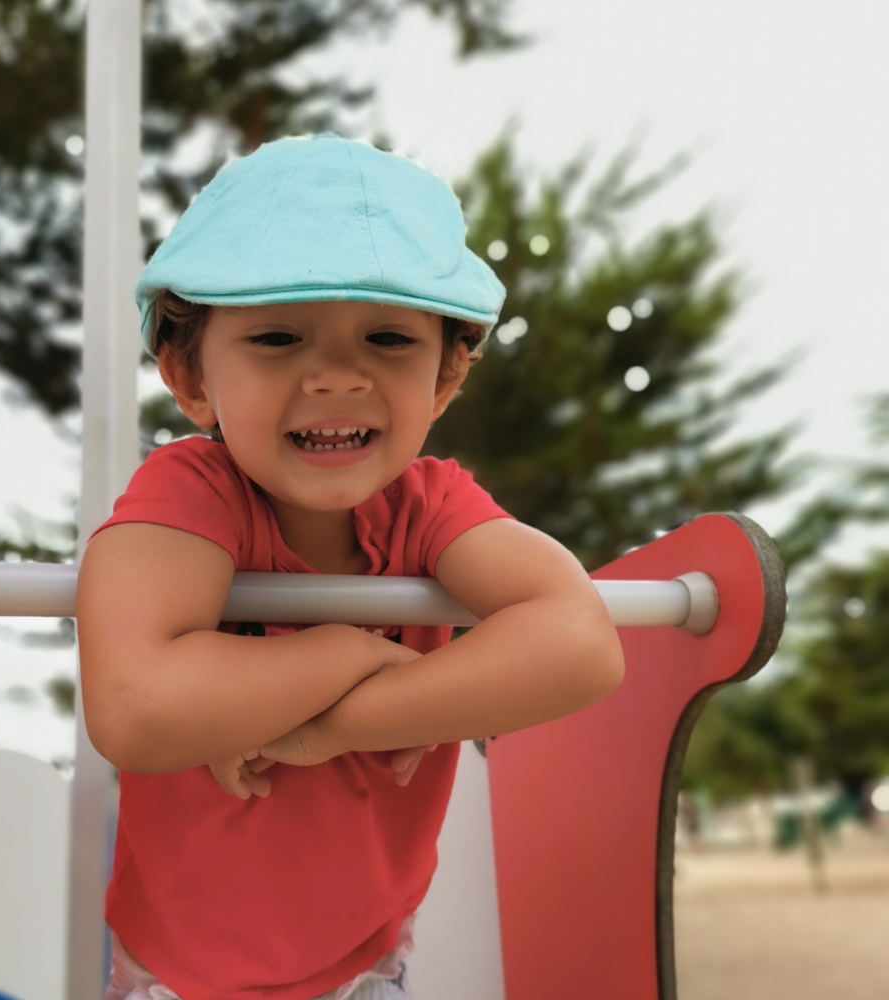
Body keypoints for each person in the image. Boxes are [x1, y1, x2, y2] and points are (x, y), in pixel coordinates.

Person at [76, 134, 625, 1000]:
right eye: (279, 335)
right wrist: (353, 651)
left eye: (387, 337)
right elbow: (134, 703)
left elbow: (583, 641)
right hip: (181, 974)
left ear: (444, 379)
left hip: (368, 961)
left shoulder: (432, 505)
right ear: (189, 375)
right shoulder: (192, 491)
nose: (336, 376)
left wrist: (333, 725)